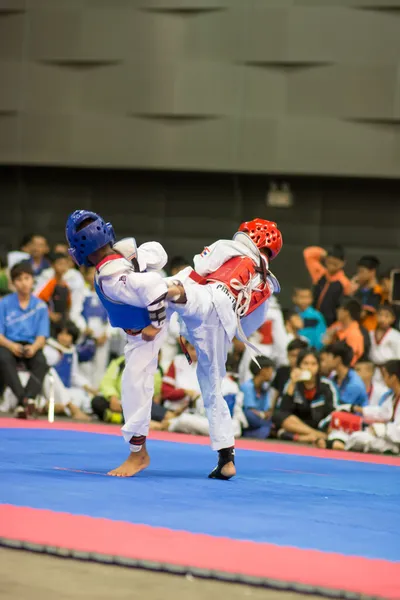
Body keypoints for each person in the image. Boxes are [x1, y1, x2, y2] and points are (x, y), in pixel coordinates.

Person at [165, 217, 282, 479]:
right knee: (212, 390)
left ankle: (163, 297)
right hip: (223, 328)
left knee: (180, 286)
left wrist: (182, 290)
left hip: (209, 298)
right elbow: (249, 325)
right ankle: (226, 458)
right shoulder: (267, 285)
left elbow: (199, 268)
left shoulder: (230, 247)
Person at [66, 210, 170, 478]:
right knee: (134, 387)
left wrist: (155, 324)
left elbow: (156, 288)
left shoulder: (110, 277)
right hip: (142, 329)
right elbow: (159, 254)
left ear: (82, 250)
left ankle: (138, 456)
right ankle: (139, 453)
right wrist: (137, 261)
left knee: (133, 390)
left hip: (146, 331)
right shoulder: (120, 258)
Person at [0, 262, 49, 417]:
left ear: (32, 280)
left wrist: (34, 348)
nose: (23, 283)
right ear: (14, 283)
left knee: (42, 362)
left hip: (31, 345)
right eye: (19, 279)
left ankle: (25, 402)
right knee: (3, 359)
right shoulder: (4, 303)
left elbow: (42, 337)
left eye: (27, 278)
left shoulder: (40, 306)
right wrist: (11, 345)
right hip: (8, 344)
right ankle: (25, 400)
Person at [326, 360, 400, 454]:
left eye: (384, 375)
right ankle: (337, 441)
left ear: (393, 378)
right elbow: (381, 412)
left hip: (394, 440)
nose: (383, 378)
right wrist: (356, 409)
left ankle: (339, 444)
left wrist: (380, 429)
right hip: (386, 436)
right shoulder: (392, 397)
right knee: (354, 435)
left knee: (361, 438)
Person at [272, 348, 337, 443]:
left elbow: (332, 412)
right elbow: (283, 411)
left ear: (318, 366)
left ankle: (305, 437)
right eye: (305, 363)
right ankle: (315, 436)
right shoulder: (292, 383)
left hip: (320, 425)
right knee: (277, 415)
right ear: (299, 366)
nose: (309, 367)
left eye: (313, 364)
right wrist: (293, 383)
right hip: (298, 426)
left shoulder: (326, 385)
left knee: (334, 425)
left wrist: (324, 427)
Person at [44, 320, 96, 418]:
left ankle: (59, 408)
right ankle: (67, 408)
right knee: (50, 373)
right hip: (50, 390)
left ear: (73, 337)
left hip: (65, 389)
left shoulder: (72, 352)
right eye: (61, 334)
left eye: (68, 335)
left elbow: (73, 375)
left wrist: (88, 387)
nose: (64, 338)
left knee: (81, 396)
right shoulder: (50, 349)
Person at [79, 265, 112, 388]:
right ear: (86, 276)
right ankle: (85, 391)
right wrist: (83, 327)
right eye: (90, 274)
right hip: (86, 333)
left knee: (100, 364)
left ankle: (96, 391)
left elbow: (112, 315)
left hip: (102, 333)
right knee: (84, 364)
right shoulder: (82, 293)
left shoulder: (107, 293)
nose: (93, 277)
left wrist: (107, 333)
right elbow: (75, 312)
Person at [303, 244, 352, 327]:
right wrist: (325, 254)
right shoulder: (319, 273)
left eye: (335, 264)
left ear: (343, 263)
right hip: (312, 320)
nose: (331, 265)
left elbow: (344, 309)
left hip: (330, 324)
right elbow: (308, 254)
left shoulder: (345, 283)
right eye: (330, 262)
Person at [322, 341, 368, 407]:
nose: (325, 361)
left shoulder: (354, 383)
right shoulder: (333, 378)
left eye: (328, 356)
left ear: (337, 359)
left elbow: (339, 407)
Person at [240, 356, 275, 439]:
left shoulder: (265, 388)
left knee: (268, 425)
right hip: (250, 419)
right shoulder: (247, 386)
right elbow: (249, 410)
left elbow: (267, 410)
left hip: (260, 419)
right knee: (248, 414)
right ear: (263, 371)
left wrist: (265, 414)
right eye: (270, 369)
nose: (272, 373)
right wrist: (263, 415)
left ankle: (260, 432)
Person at [324, 297, 365, 365]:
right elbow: (324, 341)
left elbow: (350, 360)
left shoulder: (354, 334)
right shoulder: (337, 325)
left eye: (339, 309)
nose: (337, 311)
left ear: (346, 312)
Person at [269, 338, 309, 408]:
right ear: (287, 355)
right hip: (281, 409)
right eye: (292, 355)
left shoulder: (308, 374)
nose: (295, 359)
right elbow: (275, 393)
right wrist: (271, 409)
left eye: (298, 356)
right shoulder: (282, 371)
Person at [369, 305, 400, 381]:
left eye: (386, 316)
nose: (382, 319)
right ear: (376, 316)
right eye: (380, 315)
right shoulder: (370, 333)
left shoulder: (396, 335)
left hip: (389, 371)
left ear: (392, 319)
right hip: (373, 369)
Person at [353, 256, 383, 332]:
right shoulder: (359, 289)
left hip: (370, 330)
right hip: (357, 328)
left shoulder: (377, 290)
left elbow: (364, 313)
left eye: (362, 271)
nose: (359, 275)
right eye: (358, 272)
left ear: (372, 272)